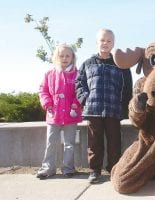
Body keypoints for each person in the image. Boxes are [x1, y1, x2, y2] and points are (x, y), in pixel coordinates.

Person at [75, 28, 132, 184]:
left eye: (109, 41)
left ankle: (114, 169)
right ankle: (95, 170)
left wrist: (123, 105)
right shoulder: (87, 63)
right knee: (94, 142)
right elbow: (79, 83)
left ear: (113, 43)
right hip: (93, 111)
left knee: (115, 142)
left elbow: (127, 87)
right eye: (102, 40)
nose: (105, 43)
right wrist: (84, 99)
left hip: (114, 110)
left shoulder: (121, 64)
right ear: (96, 42)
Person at [37, 44, 82, 179]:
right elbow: (43, 90)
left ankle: (68, 168)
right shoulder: (49, 74)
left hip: (71, 115)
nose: (64, 58)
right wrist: (47, 103)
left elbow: (80, 92)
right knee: (51, 143)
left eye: (68, 55)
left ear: (72, 57)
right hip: (54, 115)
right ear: (56, 57)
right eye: (61, 56)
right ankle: (48, 168)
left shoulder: (77, 74)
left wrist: (75, 105)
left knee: (69, 144)